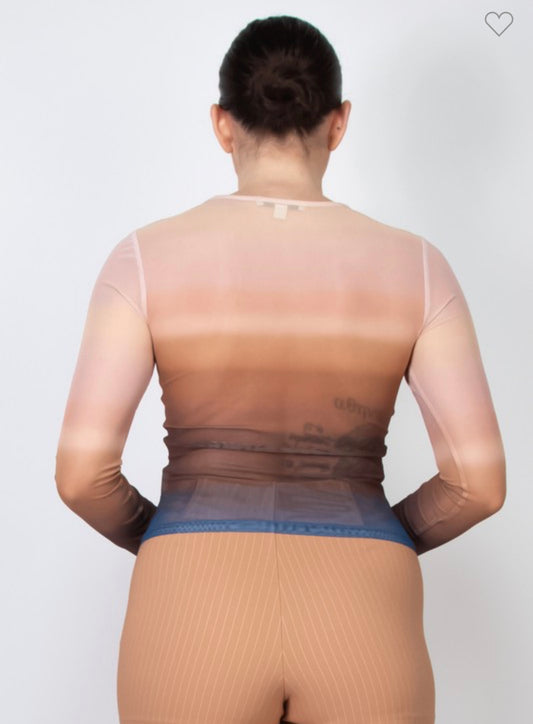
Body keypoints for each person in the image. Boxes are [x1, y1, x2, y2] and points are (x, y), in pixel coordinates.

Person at [54, 14, 506, 724]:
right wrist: (375, 535)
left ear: (221, 124)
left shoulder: (144, 258)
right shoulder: (418, 267)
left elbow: (81, 476)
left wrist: (174, 532)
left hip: (192, 592)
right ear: (339, 122)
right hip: (363, 600)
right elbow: (478, 484)